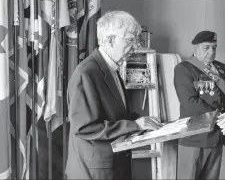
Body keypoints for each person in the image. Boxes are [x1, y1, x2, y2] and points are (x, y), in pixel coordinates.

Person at [65, 10, 162, 180]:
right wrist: (135, 126)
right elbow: (84, 127)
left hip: (113, 164)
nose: (135, 47)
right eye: (130, 40)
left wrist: (143, 122)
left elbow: (114, 114)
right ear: (110, 40)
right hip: (94, 171)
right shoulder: (86, 74)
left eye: (135, 41)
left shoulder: (111, 68)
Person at [174, 30, 225, 180]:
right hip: (195, 137)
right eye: (206, 47)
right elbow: (190, 102)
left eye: (214, 47)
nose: (211, 52)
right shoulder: (184, 69)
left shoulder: (222, 68)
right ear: (195, 47)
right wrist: (222, 117)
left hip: (217, 136)